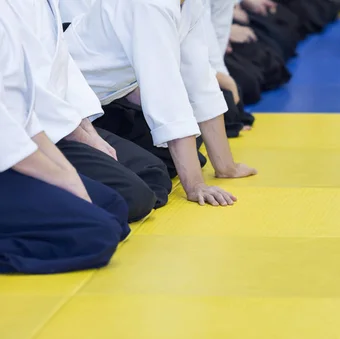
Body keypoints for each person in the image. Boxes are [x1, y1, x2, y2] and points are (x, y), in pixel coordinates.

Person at [63, 0, 257, 206]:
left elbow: (199, 79)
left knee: (179, 152)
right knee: (154, 180)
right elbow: (166, 93)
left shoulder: (190, 5)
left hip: (104, 103)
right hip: (69, 110)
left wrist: (226, 166)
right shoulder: (150, 5)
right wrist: (195, 185)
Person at [5, 0, 173, 222]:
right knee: (131, 198)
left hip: (62, 121)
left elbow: (64, 70)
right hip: (32, 132)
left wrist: (88, 131)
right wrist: (77, 135)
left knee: (153, 172)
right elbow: (29, 90)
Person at [0, 4, 130, 274]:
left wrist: (68, 173)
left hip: (19, 151)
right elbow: (8, 137)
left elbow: (24, 115)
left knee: (114, 208)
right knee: (97, 234)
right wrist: (63, 179)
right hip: (10, 156)